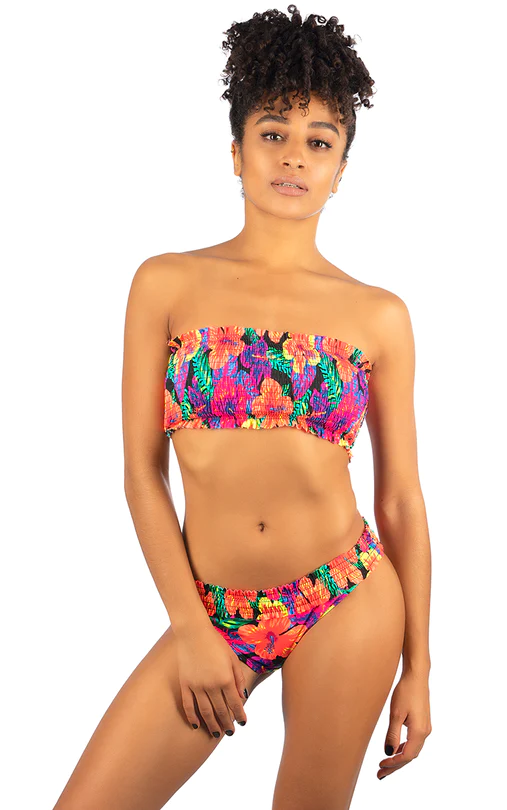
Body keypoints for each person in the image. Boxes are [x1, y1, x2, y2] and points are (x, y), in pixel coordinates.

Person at [53, 5, 432, 809]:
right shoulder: (165, 283)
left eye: (319, 142)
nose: (294, 156)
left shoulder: (379, 316)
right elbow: (141, 474)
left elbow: (400, 498)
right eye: (273, 133)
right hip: (212, 610)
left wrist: (420, 668)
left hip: (345, 595)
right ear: (236, 150)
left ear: (341, 169)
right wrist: (190, 627)